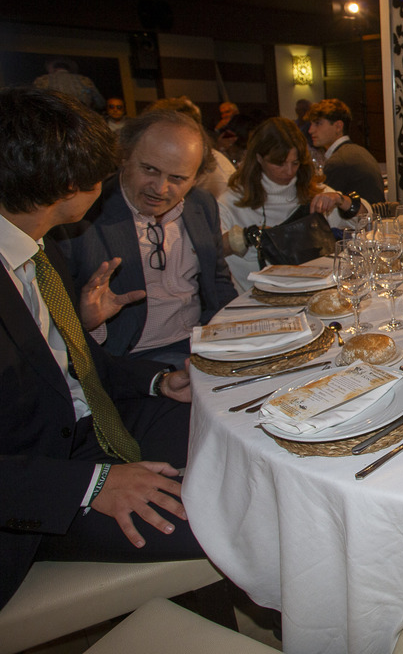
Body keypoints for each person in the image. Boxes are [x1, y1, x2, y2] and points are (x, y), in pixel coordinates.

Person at [0, 87, 202, 611]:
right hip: (40, 487)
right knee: (226, 520)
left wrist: (158, 381)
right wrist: (87, 485)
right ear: (72, 185)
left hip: (100, 420)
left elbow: (68, 369)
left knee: (242, 444)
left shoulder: (35, 249)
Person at [55, 109, 237, 369]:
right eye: (150, 169)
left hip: (203, 343)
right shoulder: (84, 216)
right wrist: (89, 321)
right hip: (135, 359)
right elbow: (65, 325)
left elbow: (218, 279)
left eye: (177, 178)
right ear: (125, 156)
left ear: (196, 178)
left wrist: (239, 334)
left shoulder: (202, 205)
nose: (160, 188)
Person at [219, 117, 368, 291]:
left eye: (295, 163)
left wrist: (341, 200)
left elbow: (367, 222)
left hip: (316, 296)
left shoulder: (312, 191)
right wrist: (243, 237)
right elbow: (212, 251)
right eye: (279, 164)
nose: (289, 171)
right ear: (259, 158)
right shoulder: (232, 202)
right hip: (260, 305)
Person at [304, 98, 385, 204]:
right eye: (311, 124)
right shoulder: (357, 151)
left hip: (361, 219)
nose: (311, 130)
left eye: (318, 123)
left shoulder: (339, 160)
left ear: (338, 126)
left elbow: (320, 204)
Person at [33, 58, 104, 111]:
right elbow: (100, 103)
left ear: (53, 68)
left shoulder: (43, 80)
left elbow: (34, 103)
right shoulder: (84, 80)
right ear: (69, 69)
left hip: (54, 121)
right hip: (82, 121)